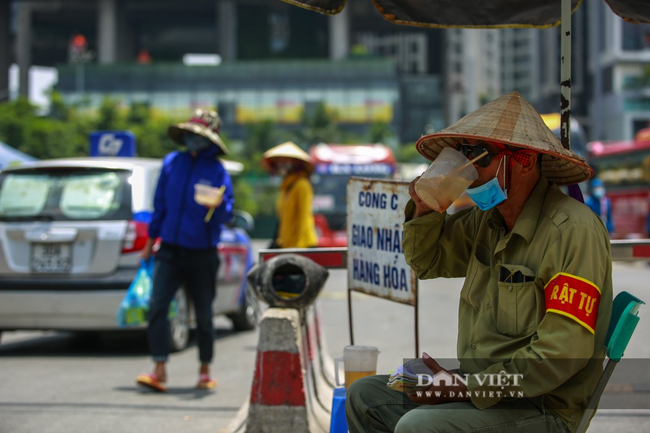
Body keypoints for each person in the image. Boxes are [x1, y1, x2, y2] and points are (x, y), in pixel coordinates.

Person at [346, 92, 613, 433]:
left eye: (477, 156)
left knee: (418, 426)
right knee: (364, 396)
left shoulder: (571, 231)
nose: (466, 169)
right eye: (461, 154)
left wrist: (467, 388)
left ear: (525, 160)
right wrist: (426, 208)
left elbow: (560, 355)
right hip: (482, 388)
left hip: (542, 405)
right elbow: (427, 263)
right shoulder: (486, 219)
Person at [135, 109, 234, 392]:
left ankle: (204, 370)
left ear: (211, 141)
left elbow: (226, 213)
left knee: (203, 314)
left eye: (199, 136)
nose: (193, 140)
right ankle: (159, 368)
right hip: (169, 249)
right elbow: (160, 207)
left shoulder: (217, 171)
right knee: (157, 307)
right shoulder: (172, 163)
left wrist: (218, 206)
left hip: (202, 253)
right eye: (190, 135)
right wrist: (148, 243)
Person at [261, 141, 318, 248]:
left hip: (302, 245)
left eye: (286, 161)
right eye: (279, 161)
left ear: (296, 163)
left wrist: (299, 248)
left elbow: (303, 218)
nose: (281, 164)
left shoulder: (302, 185)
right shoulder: (285, 188)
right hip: (287, 245)